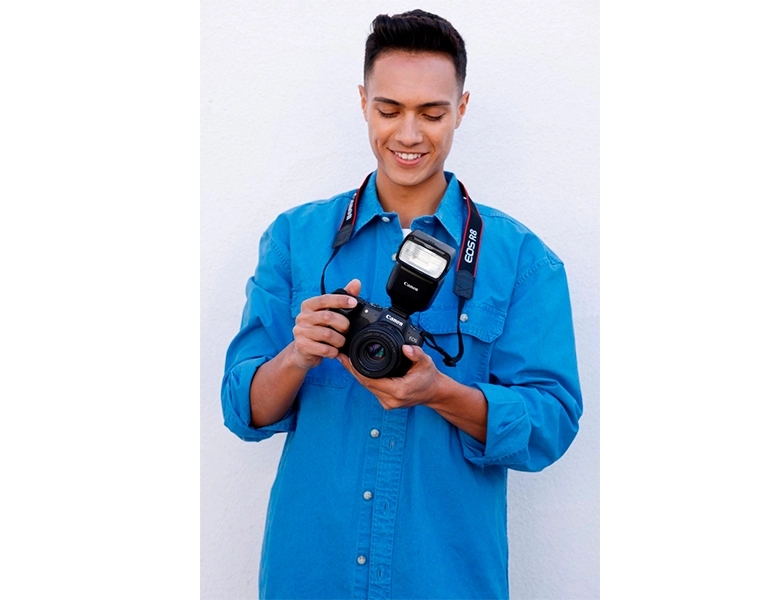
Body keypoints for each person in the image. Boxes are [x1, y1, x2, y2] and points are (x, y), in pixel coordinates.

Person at [221, 9, 582, 600]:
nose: (409, 135)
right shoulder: (295, 239)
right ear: (364, 103)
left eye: (432, 113)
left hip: (446, 578)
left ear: (461, 109)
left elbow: (552, 425)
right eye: (389, 110)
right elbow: (242, 410)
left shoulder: (521, 260)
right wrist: (298, 355)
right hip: (311, 574)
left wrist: (440, 392)